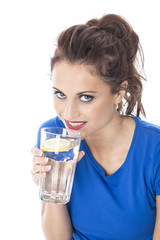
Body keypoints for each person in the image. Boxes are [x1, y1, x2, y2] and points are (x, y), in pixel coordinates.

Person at [31, 14, 160, 240]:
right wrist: (51, 189)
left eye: (86, 97)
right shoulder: (54, 135)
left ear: (119, 93)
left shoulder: (154, 149)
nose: (68, 114)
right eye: (60, 94)